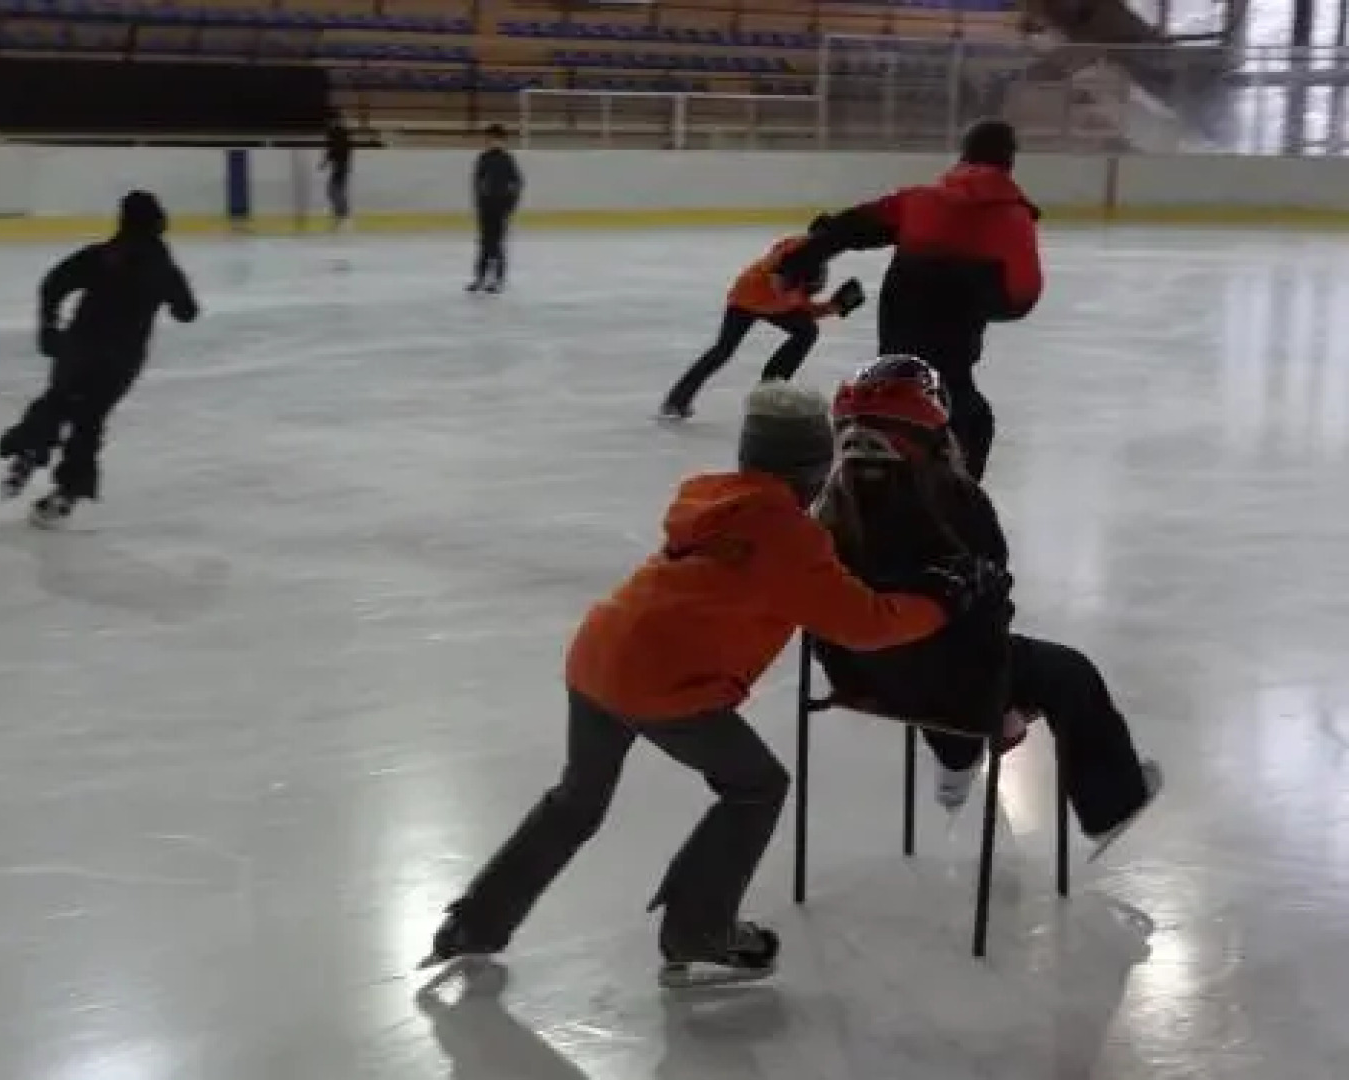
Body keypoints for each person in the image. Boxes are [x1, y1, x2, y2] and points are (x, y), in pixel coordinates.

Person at [425, 382, 1006, 988]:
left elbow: (778, 572)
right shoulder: (786, 535)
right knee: (757, 786)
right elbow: (866, 624)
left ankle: (476, 921)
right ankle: (699, 930)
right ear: (814, 466)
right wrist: (943, 599)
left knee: (576, 801)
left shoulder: (717, 501)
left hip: (598, 657)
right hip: (666, 686)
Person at [810, 358, 1162, 858]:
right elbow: (990, 607)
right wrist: (999, 701)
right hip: (951, 687)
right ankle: (1111, 805)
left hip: (859, 677)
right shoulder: (959, 505)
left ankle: (957, 758)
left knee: (924, 655)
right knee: (1068, 673)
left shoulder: (824, 512)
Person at [775, 119, 1044, 481]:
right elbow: (1021, 296)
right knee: (967, 414)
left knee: (893, 393)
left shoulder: (921, 200)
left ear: (963, 155)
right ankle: (956, 494)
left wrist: (799, 260)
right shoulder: (1013, 219)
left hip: (900, 320)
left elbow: (853, 225)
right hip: (954, 337)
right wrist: (976, 293)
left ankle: (868, 476)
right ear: (1009, 161)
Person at [0, 191, 200, 526]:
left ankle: (29, 450)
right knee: (89, 421)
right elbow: (187, 312)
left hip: (80, 348)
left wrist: (48, 325)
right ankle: (67, 493)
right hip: (120, 360)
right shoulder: (162, 267)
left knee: (57, 401)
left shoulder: (103, 255)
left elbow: (53, 284)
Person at [658, 216, 865, 420]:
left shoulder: (817, 268)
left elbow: (798, 303)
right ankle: (678, 400)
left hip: (768, 304)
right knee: (724, 349)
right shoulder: (793, 248)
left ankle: (769, 390)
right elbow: (776, 277)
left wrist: (833, 307)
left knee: (806, 332)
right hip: (746, 299)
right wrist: (793, 288)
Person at [468, 124, 523, 293]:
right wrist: (479, 202)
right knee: (484, 243)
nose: (491, 142)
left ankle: (498, 280)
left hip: (501, 208)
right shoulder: (483, 158)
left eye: (495, 139)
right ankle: (480, 278)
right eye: (489, 139)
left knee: (497, 244)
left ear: (503, 141)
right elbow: (477, 182)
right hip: (486, 208)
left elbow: (517, 183)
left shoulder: (507, 159)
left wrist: (510, 204)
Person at [321, 113, 353, 230]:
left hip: (340, 165)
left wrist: (325, 161)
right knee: (335, 190)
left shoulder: (336, 133)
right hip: (342, 165)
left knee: (333, 190)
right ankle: (341, 214)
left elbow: (333, 149)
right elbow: (335, 149)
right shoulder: (341, 132)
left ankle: (343, 214)